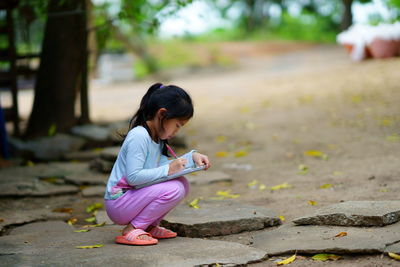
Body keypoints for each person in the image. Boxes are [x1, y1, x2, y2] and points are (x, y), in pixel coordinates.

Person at [104, 83, 211, 246]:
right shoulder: (139, 136)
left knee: (182, 183)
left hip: (132, 198)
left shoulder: (157, 139)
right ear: (162, 114)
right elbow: (133, 177)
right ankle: (132, 229)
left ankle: (149, 226)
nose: (177, 131)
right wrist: (168, 169)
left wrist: (192, 158)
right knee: (174, 189)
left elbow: (163, 167)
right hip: (119, 202)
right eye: (177, 125)